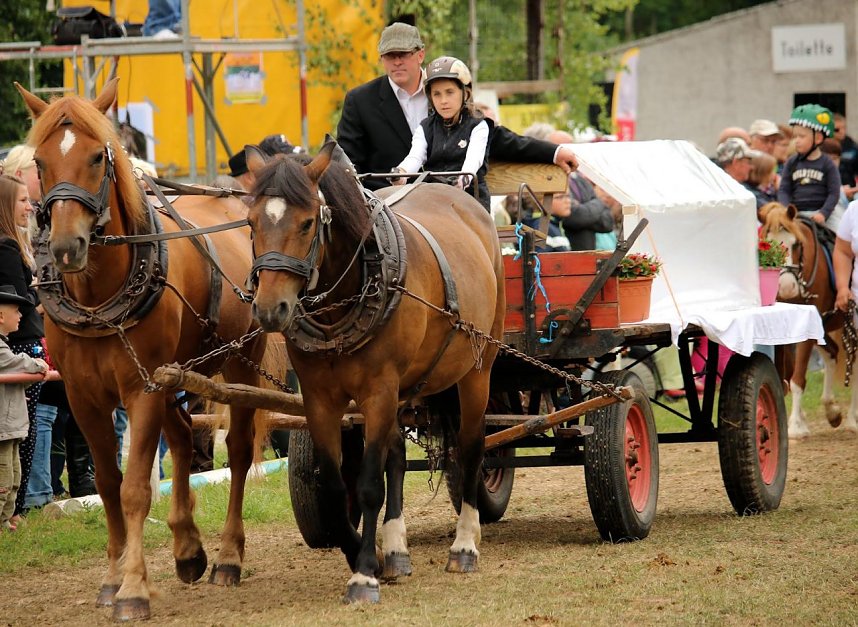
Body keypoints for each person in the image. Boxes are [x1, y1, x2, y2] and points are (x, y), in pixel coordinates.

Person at [336, 22, 578, 192]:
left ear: (420, 55)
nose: (397, 61)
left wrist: (554, 152)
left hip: (450, 205)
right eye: (390, 55)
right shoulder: (360, 100)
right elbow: (347, 164)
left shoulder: (447, 88)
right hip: (388, 211)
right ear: (381, 59)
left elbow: (495, 137)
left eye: (404, 54)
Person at [0, 174, 45, 524]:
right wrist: (39, 291)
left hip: (25, 337)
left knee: (23, 430)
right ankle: (14, 509)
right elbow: (21, 298)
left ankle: (15, 506)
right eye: (22, 200)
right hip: (22, 342)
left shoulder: (14, 245)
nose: (30, 207)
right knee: (20, 431)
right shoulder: (6, 249)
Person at [393, 56, 492, 209]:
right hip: (434, 198)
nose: (443, 100)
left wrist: (463, 179)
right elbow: (415, 157)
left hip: (471, 199)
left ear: (465, 94)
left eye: (449, 92)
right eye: (437, 94)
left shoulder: (478, 125)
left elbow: (473, 160)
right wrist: (401, 173)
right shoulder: (425, 127)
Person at [0, 285, 48, 531]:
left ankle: (5, 520)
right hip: (3, 429)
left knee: (14, 479)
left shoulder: (5, 344)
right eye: (17, 311)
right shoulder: (2, 350)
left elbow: (19, 375)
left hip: (12, 427)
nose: (21, 316)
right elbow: (15, 364)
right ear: (1, 316)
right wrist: (38, 364)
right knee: (3, 480)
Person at [777, 104, 841, 225]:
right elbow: (784, 190)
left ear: (818, 138)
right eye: (795, 136)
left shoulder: (828, 164)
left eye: (801, 136)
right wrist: (786, 210)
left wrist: (823, 213)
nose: (797, 140)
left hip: (823, 214)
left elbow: (834, 193)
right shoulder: (791, 162)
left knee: (840, 233)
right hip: (796, 214)